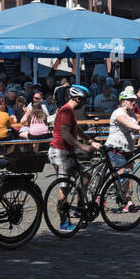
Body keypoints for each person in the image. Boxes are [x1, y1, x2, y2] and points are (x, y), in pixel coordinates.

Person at [49, 85, 101, 231]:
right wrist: (82, 146)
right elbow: (66, 134)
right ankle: (64, 222)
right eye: (84, 100)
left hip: (66, 152)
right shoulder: (66, 110)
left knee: (86, 174)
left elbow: (76, 129)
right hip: (60, 152)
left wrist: (88, 140)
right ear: (78, 98)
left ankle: (78, 207)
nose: (85, 103)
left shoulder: (69, 112)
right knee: (64, 187)